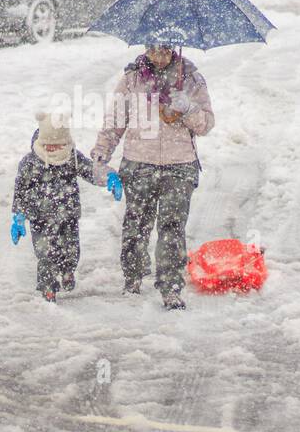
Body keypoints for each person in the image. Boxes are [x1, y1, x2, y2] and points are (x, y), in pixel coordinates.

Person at [91, 34, 215, 310]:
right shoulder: (132, 80)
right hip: (139, 163)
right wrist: (103, 148)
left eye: (166, 50)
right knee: (136, 223)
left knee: (172, 227)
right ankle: (133, 277)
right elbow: (115, 121)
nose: (160, 56)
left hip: (179, 165)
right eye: (154, 50)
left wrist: (187, 106)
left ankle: (170, 286)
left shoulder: (192, 80)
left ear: (173, 49)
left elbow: (206, 124)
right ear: (146, 49)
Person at [11, 112, 121, 303]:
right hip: (40, 218)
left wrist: (108, 176)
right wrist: (19, 216)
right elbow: (20, 190)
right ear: (42, 142)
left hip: (68, 215)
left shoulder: (71, 157)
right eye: (50, 145)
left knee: (71, 250)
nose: (54, 149)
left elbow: (90, 170)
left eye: (60, 145)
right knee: (45, 253)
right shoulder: (30, 163)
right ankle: (48, 287)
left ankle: (68, 270)